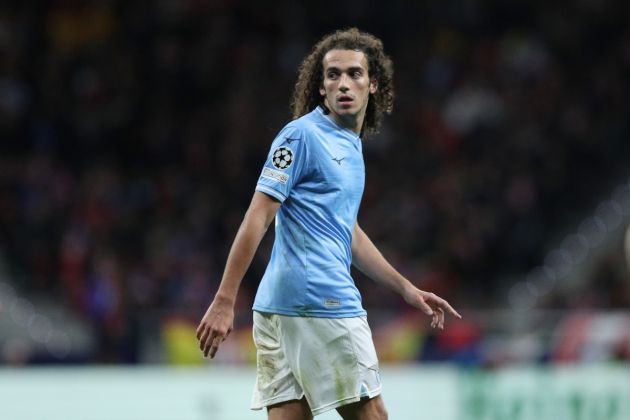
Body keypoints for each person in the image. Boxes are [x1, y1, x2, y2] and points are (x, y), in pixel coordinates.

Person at [196, 27, 461, 420]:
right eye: (333, 74)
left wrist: (405, 288)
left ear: (373, 85)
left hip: (279, 308)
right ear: (320, 87)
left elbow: (347, 233)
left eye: (354, 73)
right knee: (372, 415)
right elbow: (259, 214)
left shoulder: (348, 145)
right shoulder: (302, 137)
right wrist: (224, 299)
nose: (343, 83)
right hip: (321, 300)